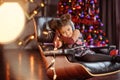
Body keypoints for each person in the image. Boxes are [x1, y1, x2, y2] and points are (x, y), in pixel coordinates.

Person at [49, 13, 120, 63]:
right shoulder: (63, 38)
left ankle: (113, 58)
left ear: (71, 27)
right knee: (84, 58)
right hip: (75, 57)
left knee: (89, 57)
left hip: (84, 53)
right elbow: (56, 45)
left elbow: (71, 41)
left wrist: (61, 36)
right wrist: (57, 34)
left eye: (68, 29)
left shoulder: (76, 32)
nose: (67, 33)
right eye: (64, 32)